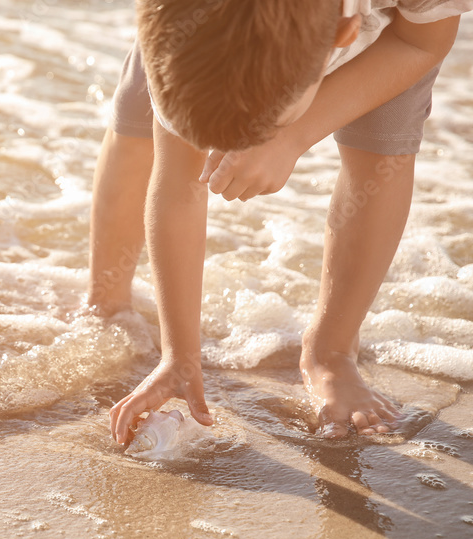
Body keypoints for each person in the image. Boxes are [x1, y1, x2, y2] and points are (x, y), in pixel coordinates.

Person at [90, 0, 469, 443]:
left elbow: (420, 41)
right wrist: (180, 356)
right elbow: (177, 185)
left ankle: (332, 351)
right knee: (141, 127)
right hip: (208, 25)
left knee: (384, 149)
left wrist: (293, 135)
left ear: (343, 34)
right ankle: (106, 303)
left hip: (400, 34)